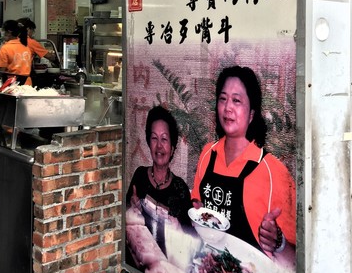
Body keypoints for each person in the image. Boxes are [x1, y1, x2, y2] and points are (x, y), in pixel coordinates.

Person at [191, 65, 296, 256]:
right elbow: (197, 206)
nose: (228, 107)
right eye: (223, 99)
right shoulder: (207, 154)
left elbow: (295, 258)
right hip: (206, 266)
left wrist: (279, 242)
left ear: (252, 114)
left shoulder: (273, 172)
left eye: (236, 100)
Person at [126, 105, 192, 227]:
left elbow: (188, 234)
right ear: (149, 143)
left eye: (164, 139)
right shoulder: (140, 175)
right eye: (154, 138)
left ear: (172, 148)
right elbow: (125, 219)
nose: (159, 145)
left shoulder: (181, 189)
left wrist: (176, 226)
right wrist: (131, 208)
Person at [0, 19, 33, 85]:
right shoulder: (26, 48)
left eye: (3, 31)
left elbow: (0, 72)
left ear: (9, 32)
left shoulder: (5, 48)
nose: (3, 34)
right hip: (27, 85)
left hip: (12, 85)